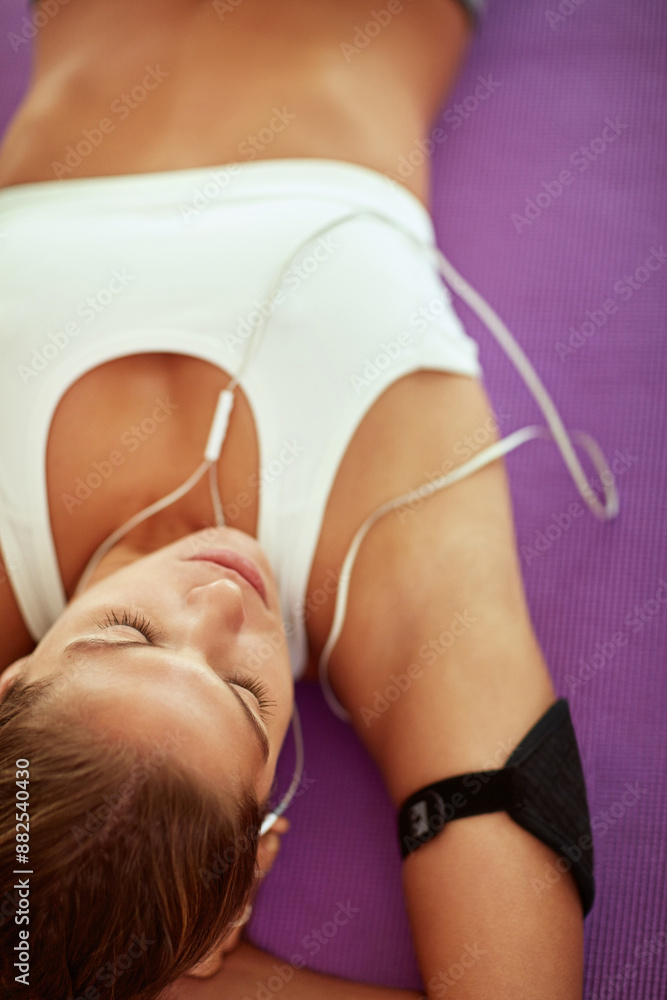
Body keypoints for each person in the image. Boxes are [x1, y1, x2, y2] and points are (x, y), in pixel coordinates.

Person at [0, 1, 593, 997]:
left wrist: (167, 954)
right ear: (259, 849)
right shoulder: (392, 560)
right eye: (239, 691)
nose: (220, 599)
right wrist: (158, 947)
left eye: (122, 637)